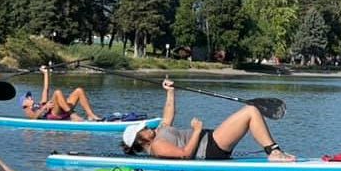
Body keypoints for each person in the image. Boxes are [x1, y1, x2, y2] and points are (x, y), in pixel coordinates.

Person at [121, 78, 295, 161]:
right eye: (143, 129)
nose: (146, 127)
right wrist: (196, 131)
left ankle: (274, 151)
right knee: (250, 111)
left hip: (211, 140)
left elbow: (168, 114)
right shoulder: (157, 146)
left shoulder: (160, 132)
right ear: (141, 138)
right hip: (209, 149)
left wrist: (170, 92)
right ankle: (274, 152)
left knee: (251, 112)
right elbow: (185, 154)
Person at [20, 65, 102, 121]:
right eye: (27, 97)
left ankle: (90, 115)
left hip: (63, 111)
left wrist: (45, 73)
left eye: (29, 96)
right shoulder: (28, 110)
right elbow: (34, 118)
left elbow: (46, 88)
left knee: (79, 90)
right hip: (55, 114)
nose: (30, 97)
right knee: (57, 92)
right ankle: (72, 114)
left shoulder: (41, 102)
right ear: (24, 104)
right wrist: (45, 107)